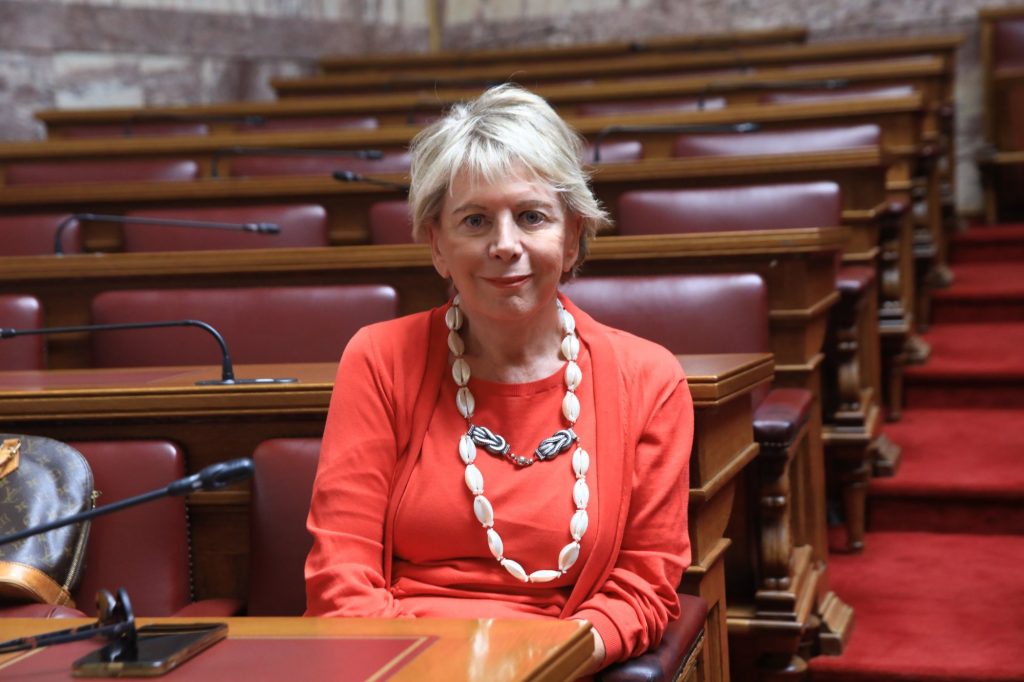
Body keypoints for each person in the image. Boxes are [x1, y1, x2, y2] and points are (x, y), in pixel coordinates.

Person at [304, 84, 694, 672]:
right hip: (396, 662)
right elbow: (342, 572)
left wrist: (535, 666)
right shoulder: (379, 358)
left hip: (559, 665)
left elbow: (642, 588)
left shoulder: (649, 379)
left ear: (572, 237)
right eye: (475, 220)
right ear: (438, 245)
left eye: (532, 217)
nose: (504, 245)